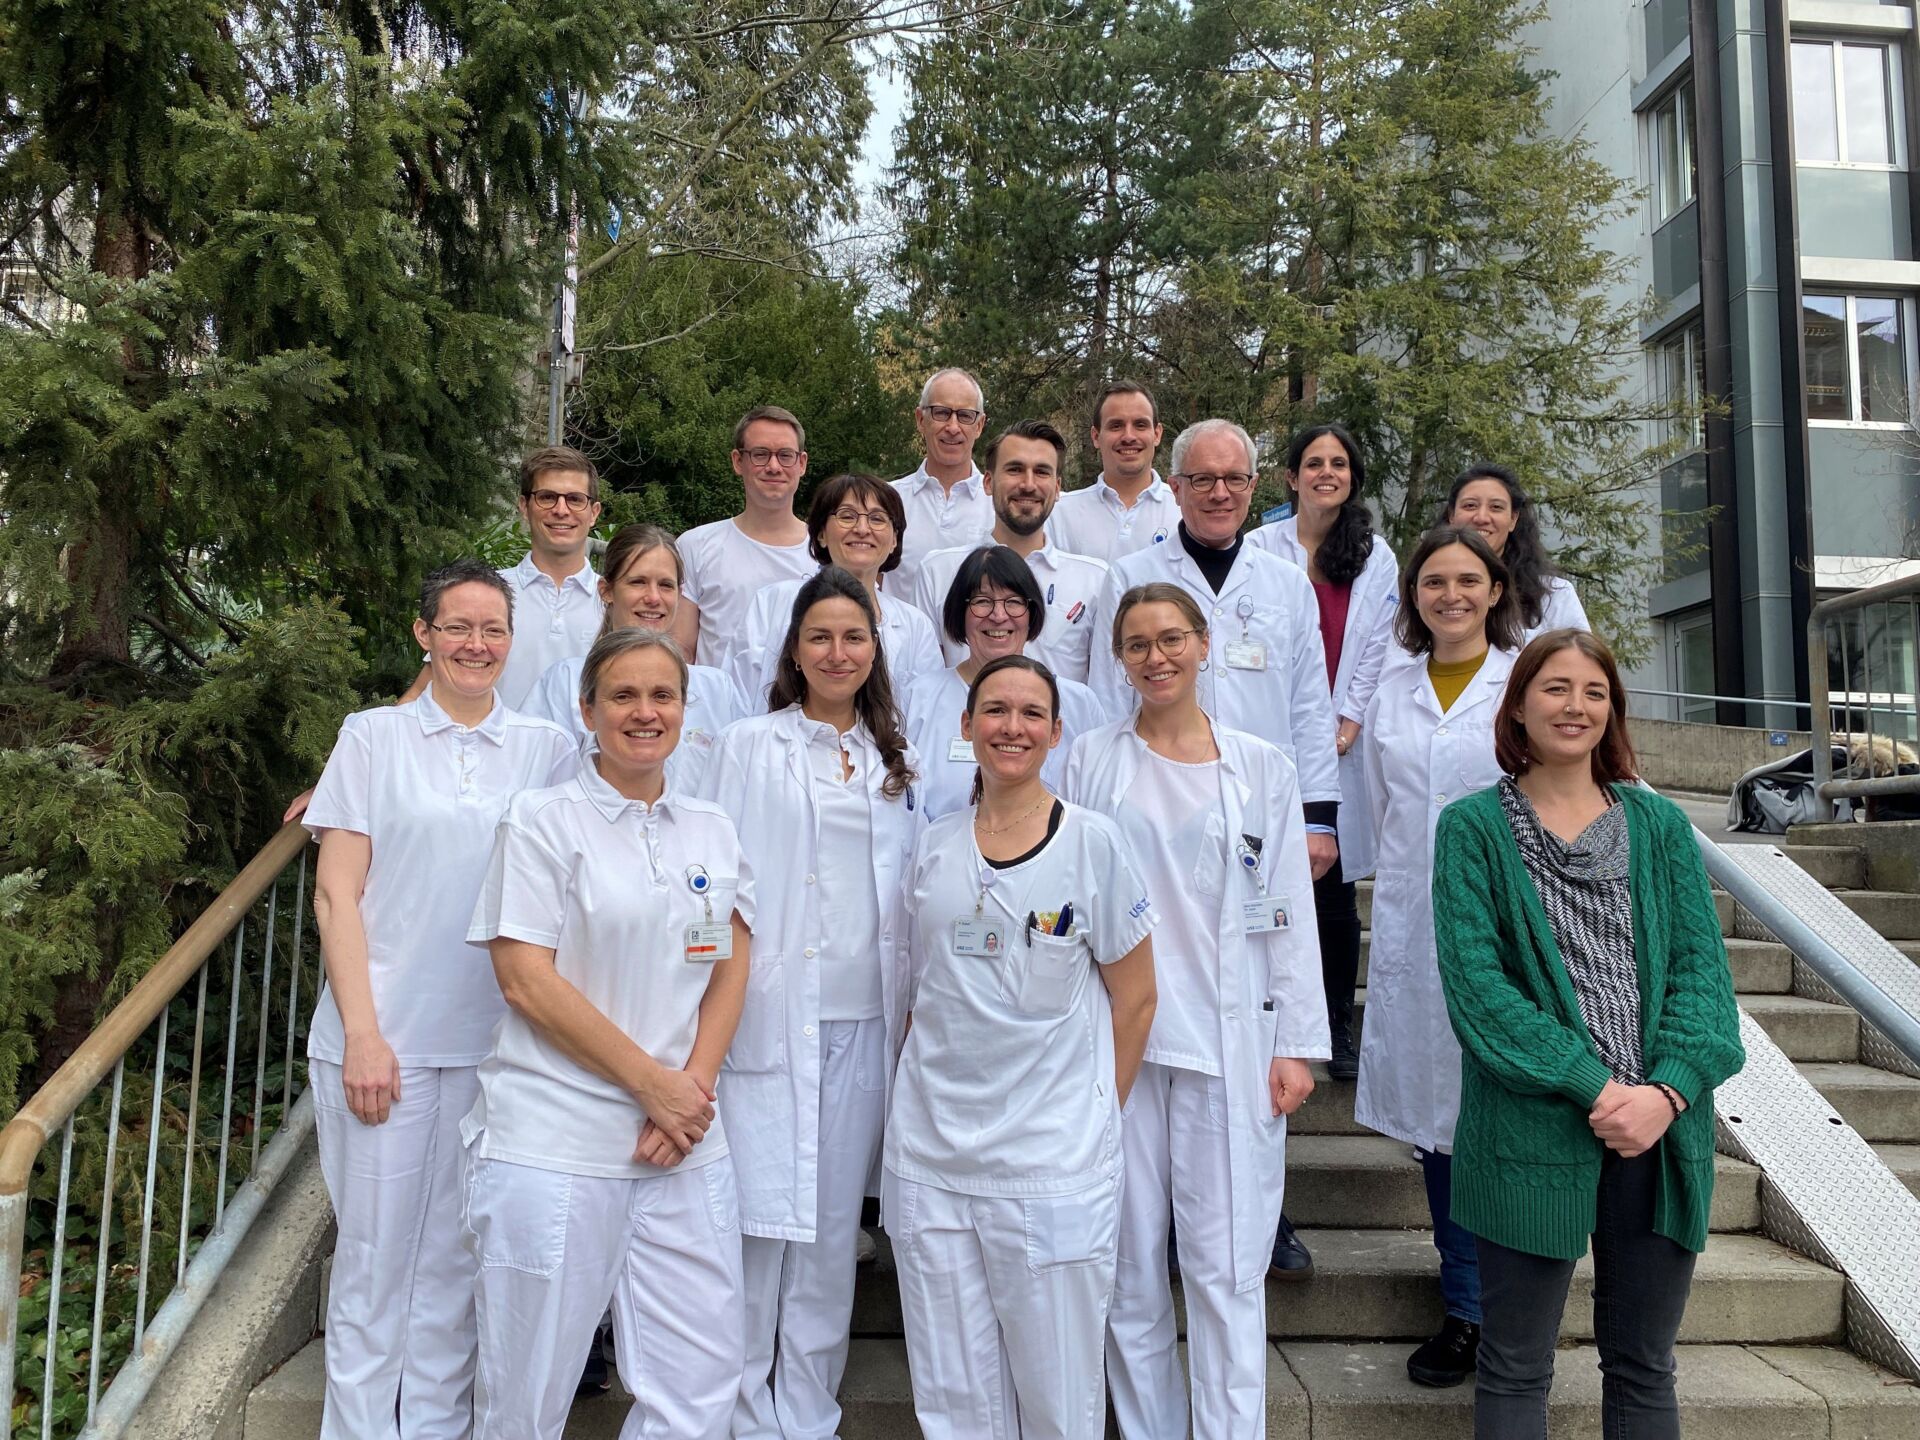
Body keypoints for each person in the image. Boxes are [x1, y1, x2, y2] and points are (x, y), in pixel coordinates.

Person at [1432, 629, 1744, 1439]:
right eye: (1556, 688)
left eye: (1594, 692)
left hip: (1657, 1134)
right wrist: (1596, 1087)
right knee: (1513, 1365)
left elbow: (1703, 984)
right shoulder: (1472, 829)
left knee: (1644, 1367)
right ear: (1518, 706)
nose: (1576, 706)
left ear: (1613, 711)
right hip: (1527, 1129)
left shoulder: (1660, 826)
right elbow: (1479, 994)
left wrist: (1664, 1095)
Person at [302, 560, 577, 1439]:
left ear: (512, 640)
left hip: (498, 1047)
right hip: (383, 1041)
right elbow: (336, 894)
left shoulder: (545, 748)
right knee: (374, 1263)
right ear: (424, 634)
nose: (476, 644)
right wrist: (363, 1035)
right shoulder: (371, 737)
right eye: (457, 626)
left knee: (457, 1267)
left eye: (493, 629)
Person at [463, 629, 753, 1439]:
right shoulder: (542, 821)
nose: (644, 711)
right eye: (623, 695)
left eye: (662, 695)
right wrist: (651, 1086)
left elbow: (732, 959)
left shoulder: (711, 827)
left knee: (700, 1386)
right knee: (525, 1398)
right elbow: (524, 978)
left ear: (685, 711)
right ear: (587, 710)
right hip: (555, 1144)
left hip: (682, 1145)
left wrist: (689, 1090)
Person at [1066, 583, 1327, 1440]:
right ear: (1119, 659)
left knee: (1227, 1268)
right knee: (1128, 1267)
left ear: (1205, 643)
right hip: (1123, 1043)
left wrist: (1295, 1043)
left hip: (1229, 1041)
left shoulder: (1262, 767)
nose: (1157, 657)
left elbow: (1288, 907)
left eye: (1172, 638)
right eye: (1138, 644)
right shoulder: (1090, 760)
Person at [1087, 417, 1340, 1278]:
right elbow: (1103, 698)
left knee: (1249, 1035)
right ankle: (1157, 1223)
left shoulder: (1285, 580)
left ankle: (1263, 1219)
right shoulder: (1132, 574)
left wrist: (1318, 817)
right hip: (1149, 811)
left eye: (1234, 478)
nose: (1220, 492)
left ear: (1254, 484)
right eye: (1202, 478)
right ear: (1177, 487)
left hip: (1257, 811)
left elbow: (1309, 700)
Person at [886, 655, 1159, 1440]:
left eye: (1032, 713)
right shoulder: (934, 845)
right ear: (966, 725)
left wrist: (1094, 1118)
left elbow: (1137, 998)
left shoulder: (1093, 843)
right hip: (931, 1160)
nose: (1013, 727)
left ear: (1056, 732)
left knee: (1058, 1403)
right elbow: (922, 994)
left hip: (1050, 1166)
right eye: (996, 711)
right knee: (952, 1401)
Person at [700, 566, 925, 1440]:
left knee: (832, 1235)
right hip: (764, 1017)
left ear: (875, 649)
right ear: (794, 650)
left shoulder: (892, 757)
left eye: (854, 636)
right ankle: (740, 1414)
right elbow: (711, 881)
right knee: (757, 1225)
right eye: (820, 636)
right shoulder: (749, 746)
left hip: (864, 1022)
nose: (838, 652)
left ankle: (807, 1414)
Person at [1356, 524, 1523, 1388]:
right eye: (1433, 583)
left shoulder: (1523, 683)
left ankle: (1512, 1306)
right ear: (1413, 597)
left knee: (1496, 1119)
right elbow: (1379, 809)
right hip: (1414, 928)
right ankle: (1466, 1310)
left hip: (1507, 927)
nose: (1450, 595)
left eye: (1466, 581)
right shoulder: (1392, 692)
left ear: (1494, 590)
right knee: (1437, 1126)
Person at [1248, 423, 1399, 1080]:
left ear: (1352, 477)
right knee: (1261, 884)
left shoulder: (1374, 554)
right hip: (1265, 737)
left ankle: (1337, 1027)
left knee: (1332, 895)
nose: (1326, 473)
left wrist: (1347, 724)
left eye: (1339, 463)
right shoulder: (1259, 546)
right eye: (1314, 463)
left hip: (1340, 744)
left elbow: (1377, 648)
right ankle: (1267, 1022)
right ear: (1291, 477)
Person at [525, 524, 748, 794]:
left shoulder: (717, 690)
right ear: (606, 590)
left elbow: (740, 783)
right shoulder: (565, 683)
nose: (653, 598)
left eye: (665, 585)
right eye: (638, 582)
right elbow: (534, 778)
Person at [902, 545, 1110, 820]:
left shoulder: (1077, 703)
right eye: (982, 601)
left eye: (1013, 602)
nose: (998, 616)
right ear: (960, 612)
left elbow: (1095, 799)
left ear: (1031, 612)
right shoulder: (918, 698)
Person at [909, 420, 1110, 684]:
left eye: (1042, 472)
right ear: (988, 482)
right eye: (1015, 469)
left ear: (1057, 487)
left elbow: (1106, 684)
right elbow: (923, 684)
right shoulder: (938, 572)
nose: (1028, 484)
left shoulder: (1095, 580)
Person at [727, 474, 944, 706]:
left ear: (894, 540)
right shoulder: (772, 604)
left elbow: (927, 711)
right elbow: (735, 698)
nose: (862, 529)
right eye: (847, 516)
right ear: (821, 533)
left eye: (877, 519)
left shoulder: (916, 626)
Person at [675, 406, 819, 669]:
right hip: (718, 696)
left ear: (802, 463)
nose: (773, 467)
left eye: (785, 455)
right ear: (737, 461)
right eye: (760, 455)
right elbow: (681, 652)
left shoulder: (825, 551)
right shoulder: (694, 546)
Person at [493, 446, 607, 709]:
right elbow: (437, 686)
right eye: (547, 497)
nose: (561, 510)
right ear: (524, 506)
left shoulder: (615, 602)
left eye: (575, 499)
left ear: (594, 512)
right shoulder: (486, 593)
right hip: (501, 737)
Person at [1441, 464, 1589, 645]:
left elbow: (1580, 658)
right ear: (1451, 515)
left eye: (1496, 507)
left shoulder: (1554, 596)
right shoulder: (1425, 592)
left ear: (1513, 519)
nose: (1481, 518)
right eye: (1470, 505)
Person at [1049, 380, 1179, 563]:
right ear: (1096, 437)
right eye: (1116, 426)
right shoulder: (1060, 514)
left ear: (1157, 434)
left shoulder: (1184, 510)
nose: (1128, 437)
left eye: (1140, 425)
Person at [891, 368, 993, 596]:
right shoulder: (888, 502)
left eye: (965, 415)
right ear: (921, 420)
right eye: (942, 413)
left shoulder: (999, 505)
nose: (953, 427)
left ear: (979, 425)